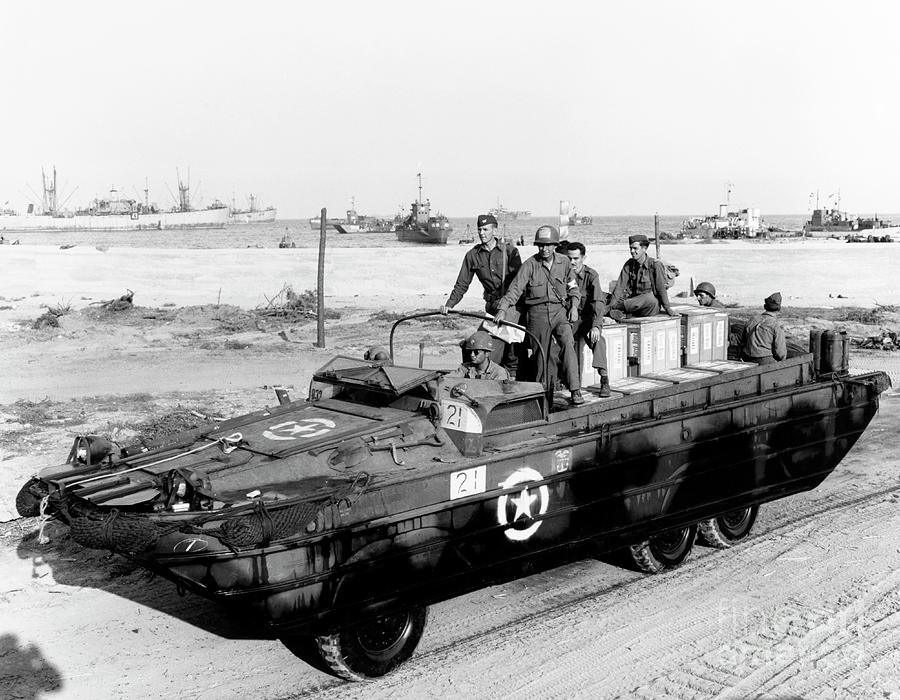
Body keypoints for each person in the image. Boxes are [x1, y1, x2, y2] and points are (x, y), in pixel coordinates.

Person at [494, 225, 584, 405]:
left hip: (559, 312)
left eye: (549, 245)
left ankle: (575, 390)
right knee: (541, 356)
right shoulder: (530, 265)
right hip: (537, 315)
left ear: (555, 245)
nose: (544, 249)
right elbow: (515, 290)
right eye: (541, 245)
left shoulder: (565, 262)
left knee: (567, 343)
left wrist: (574, 306)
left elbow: (573, 288)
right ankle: (542, 395)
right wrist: (502, 309)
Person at [441, 213, 522, 371]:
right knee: (474, 343)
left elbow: (520, 283)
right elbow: (462, 284)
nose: (481, 233)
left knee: (498, 347)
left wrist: (505, 308)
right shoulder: (473, 255)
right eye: (479, 229)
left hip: (511, 307)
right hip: (491, 307)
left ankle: (501, 374)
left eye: (485, 229)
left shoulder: (509, 251)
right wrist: (449, 305)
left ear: (495, 230)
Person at [565, 242, 611, 397]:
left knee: (599, 341)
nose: (572, 262)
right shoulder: (561, 275)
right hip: (568, 320)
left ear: (583, 258)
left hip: (585, 320)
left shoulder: (591, 276)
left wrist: (596, 326)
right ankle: (566, 382)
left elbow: (598, 302)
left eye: (576, 258)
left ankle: (604, 379)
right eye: (569, 258)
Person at [607, 234, 679, 320]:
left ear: (644, 249)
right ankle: (619, 311)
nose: (632, 251)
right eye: (630, 248)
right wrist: (611, 303)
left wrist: (668, 308)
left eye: (635, 248)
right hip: (632, 302)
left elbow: (661, 289)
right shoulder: (629, 264)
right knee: (604, 296)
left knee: (650, 298)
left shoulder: (655, 265)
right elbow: (620, 286)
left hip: (648, 306)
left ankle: (615, 309)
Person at [742, 292, 787, 364]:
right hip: (765, 360)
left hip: (747, 358)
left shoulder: (752, 319)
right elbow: (780, 353)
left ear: (765, 306)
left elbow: (743, 341)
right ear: (779, 308)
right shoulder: (776, 325)